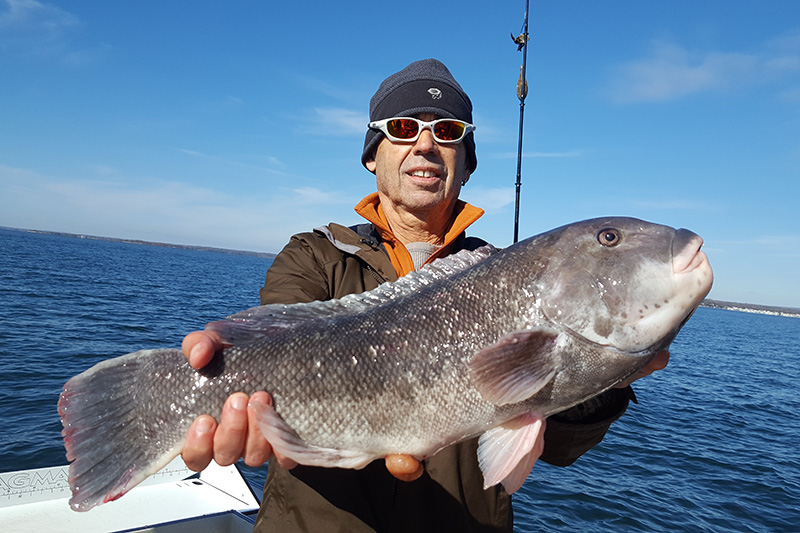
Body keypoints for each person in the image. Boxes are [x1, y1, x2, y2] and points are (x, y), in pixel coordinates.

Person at [179, 59, 670, 532]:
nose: (426, 144)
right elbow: (278, 338)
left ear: (466, 163)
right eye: (403, 126)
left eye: (449, 132)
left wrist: (602, 377)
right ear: (373, 154)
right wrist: (218, 385)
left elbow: (561, 447)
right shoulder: (315, 256)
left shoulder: (516, 279)